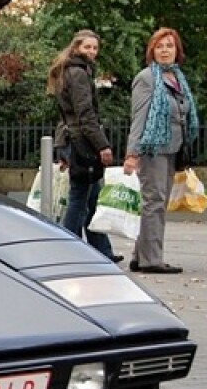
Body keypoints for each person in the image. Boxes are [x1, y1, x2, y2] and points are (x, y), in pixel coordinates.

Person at [123, 27, 199, 274]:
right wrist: (132, 154)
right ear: (152, 51)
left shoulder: (177, 78)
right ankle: (152, 260)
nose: (165, 51)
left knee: (157, 202)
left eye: (170, 46)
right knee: (154, 202)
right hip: (152, 148)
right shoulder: (147, 78)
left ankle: (139, 256)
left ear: (177, 51)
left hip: (173, 148)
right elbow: (139, 117)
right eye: (160, 46)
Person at [48, 30, 121, 262]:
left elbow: (64, 116)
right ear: (76, 47)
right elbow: (84, 114)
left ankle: (102, 251)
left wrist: (62, 147)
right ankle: (69, 248)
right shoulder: (78, 73)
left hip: (72, 140)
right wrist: (103, 145)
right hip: (82, 142)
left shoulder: (66, 71)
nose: (92, 52)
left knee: (92, 198)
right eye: (87, 47)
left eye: (95, 48)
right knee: (80, 198)